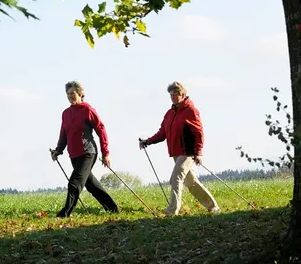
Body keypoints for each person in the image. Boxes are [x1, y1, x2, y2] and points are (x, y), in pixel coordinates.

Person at [139, 81, 220, 217]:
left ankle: (171, 212)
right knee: (191, 183)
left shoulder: (191, 111)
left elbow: (198, 133)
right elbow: (162, 133)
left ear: (183, 94)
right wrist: (148, 141)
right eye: (171, 94)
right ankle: (213, 207)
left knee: (175, 178)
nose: (172, 97)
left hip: (188, 152)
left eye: (175, 94)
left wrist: (198, 152)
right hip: (176, 153)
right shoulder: (170, 113)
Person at [50, 80, 119, 217]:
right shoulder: (65, 113)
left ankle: (64, 214)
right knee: (91, 185)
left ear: (80, 94)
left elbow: (101, 130)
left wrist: (106, 153)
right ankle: (113, 209)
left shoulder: (88, 110)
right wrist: (58, 150)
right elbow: (64, 133)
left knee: (74, 183)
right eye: (68, 94)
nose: (70, 96)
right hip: (73, 154)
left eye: (73, 93)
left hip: (88, 153)